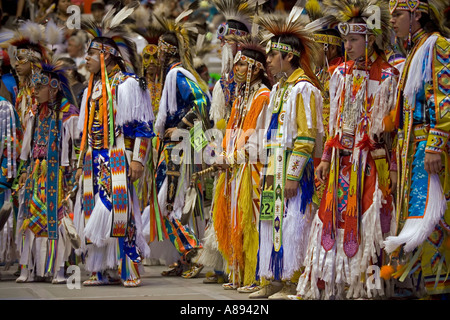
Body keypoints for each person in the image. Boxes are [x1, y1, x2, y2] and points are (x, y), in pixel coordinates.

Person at [296, 0, 399, 300]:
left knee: (370, 222)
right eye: (346, 40)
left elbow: (390, 131)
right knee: (332, 222)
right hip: (341, 161)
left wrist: (388, 164)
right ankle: (334, 283)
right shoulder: (339, 74)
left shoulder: (388, 75)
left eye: (354, 40)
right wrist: (327, 156)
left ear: (371, 39)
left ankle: (366, 286)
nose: (348, 46)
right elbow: (335, 122)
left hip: (371, 163)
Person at [74, 1, 154, 287]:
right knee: (90, 210)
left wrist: (137, 160)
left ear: (107, 56)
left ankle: (128, 268)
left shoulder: (127, 84)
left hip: (118, 156)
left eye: (91, 53)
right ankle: (99, 269)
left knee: (120, 211)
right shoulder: (91, 89)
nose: (86, 58)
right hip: (93, 158)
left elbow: (143, 127)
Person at [250, 8, 324, 300]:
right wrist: (268, 173)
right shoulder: (280, 89)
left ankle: (295, 281)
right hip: (273, 167)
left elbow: (306, 137)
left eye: (271, 55)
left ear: (288, 56)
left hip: (292, 171)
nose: (267, 61)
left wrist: (292, 175)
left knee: (294, 223)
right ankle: (275, 278)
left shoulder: (303, 89)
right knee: (270, 220)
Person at [383, 0, 450, 299]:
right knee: (414, 218)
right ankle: (420, 286)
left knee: (432, 220)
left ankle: (439, 288)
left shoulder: (438, 45)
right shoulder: (413, 51)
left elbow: (445, 96)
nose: (392, 21)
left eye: (397, 14)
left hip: (430, 151)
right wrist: (396, 164)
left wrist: (436, 144)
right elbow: (404, 113)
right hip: (411, 151)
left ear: (417, 14)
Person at [195, 0, 256, 286]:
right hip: (226, 151)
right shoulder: (223, 83)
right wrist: (215, 150)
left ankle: (240, 265)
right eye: (223, 42)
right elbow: (217, 121)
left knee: (241, 209)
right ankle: (222, 263)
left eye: (230, 42)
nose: (225, 47)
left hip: (247, 153)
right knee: (221, 207)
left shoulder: (254, 81)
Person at [152, 4, 211, 279]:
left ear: (171, 50)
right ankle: (183, 257)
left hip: (177, 148)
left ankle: (193, 251)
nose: (157, 54)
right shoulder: (174, 75)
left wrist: (179, 129)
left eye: (161, 48)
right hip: (174, 148)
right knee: (169, 203)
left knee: (169, 203)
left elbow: (201, 103)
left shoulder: (177, 74)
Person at [212, 35, 272, 293]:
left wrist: (232, 158)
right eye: (236, 64)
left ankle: (255, 276)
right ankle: (238, 273)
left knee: (251, 221)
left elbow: (259, 141)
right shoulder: (240, 98)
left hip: (254, 171)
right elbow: (232, 135)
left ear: (256, 69)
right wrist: (222, 154)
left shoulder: (264, 97)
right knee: (234, 221)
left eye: (242, 65)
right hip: (234, 170)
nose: (236, 69)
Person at [16, 59, 80, 284]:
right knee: (31, 216)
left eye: (39, 87)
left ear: (53, 88)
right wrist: (24, 169)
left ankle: (59, 269)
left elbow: (76, 147)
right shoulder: (35, 111)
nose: (34, 91)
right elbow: (28, 143)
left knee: (56, 218)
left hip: (57, 173)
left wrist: (73, 174)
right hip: (36, 171)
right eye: (34, 86)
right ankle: (29, 268)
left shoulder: (68, 112)